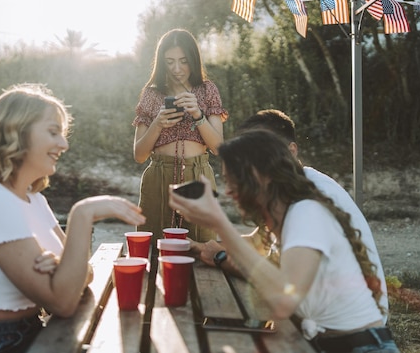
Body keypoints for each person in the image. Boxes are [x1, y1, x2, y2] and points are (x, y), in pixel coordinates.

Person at [0, 84, 145, 353]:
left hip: (29, 331)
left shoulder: (33, 199)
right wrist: (83, 214)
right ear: (16, 132)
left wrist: (64, 269)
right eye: (52, 132)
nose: (64, 143)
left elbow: (84, 274)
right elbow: (62, 300)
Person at [169, 130, 400, 353]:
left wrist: (220, 224)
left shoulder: (306, 213)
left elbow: (284, 300)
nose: (228, 191)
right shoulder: (286, 220)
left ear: (264, 176)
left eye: (233, 180)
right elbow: (270, 277)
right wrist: (205, 247)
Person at [189, 109, 389, 324]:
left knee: (223, 315)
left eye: (262, 153)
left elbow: (285, 292)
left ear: (289, 152)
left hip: (350, 340)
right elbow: (258, 243)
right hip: (324, 330)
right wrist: (198, 246)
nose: (229, 190)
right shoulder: (288, 195)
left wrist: (221, 250)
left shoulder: (310, 204)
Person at [132, 28, 228, 242]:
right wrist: (157, 123)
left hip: (198, 176)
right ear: (161, 62)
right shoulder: (152, 93)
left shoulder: (207, 90)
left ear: (193, 60)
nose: (177, 68)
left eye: (183, 61)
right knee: (154, 249)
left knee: (202, 249)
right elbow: (139, 155)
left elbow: (218, 148)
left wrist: (198, 115)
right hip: (158, 177)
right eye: (170, 61)